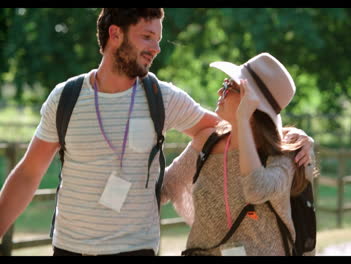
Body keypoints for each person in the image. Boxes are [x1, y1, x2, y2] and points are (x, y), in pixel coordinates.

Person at [0, 9, 313, 256]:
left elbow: (229, 126)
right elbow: (29, 173)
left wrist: (290, 137)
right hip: (68, 247)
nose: (157, 48)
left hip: (135, 249)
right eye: (147, 37)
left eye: (158, 38)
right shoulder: (65, 98)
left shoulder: (163, 98)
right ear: (115, 34)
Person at [161, 52, 319, 256]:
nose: (220, 91)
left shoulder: (283, 157)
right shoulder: (207, 141)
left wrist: (242, 119)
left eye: (229, 87)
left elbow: (256, 188)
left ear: (252, 101)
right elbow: (166, 187)